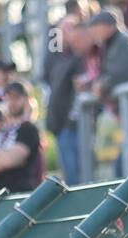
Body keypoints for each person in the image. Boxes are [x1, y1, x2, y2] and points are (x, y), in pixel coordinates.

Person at [0, 82, 45, 194]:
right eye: (8, 98)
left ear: (26, 100)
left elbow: (8, 160)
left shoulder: (28, 129)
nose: (12, 102)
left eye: (17, 98)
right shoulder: (0, 128)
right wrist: (1, 154)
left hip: (20, 192)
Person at [45, 19, 85, 184]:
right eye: (60, 30)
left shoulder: (79, 58)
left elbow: (78, 92)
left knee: (77, 179)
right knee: (69, 176)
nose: (63, 34)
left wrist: (71, 121)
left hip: (73, 127)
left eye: (69, 29)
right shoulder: (57, 59)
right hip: (59, 126)